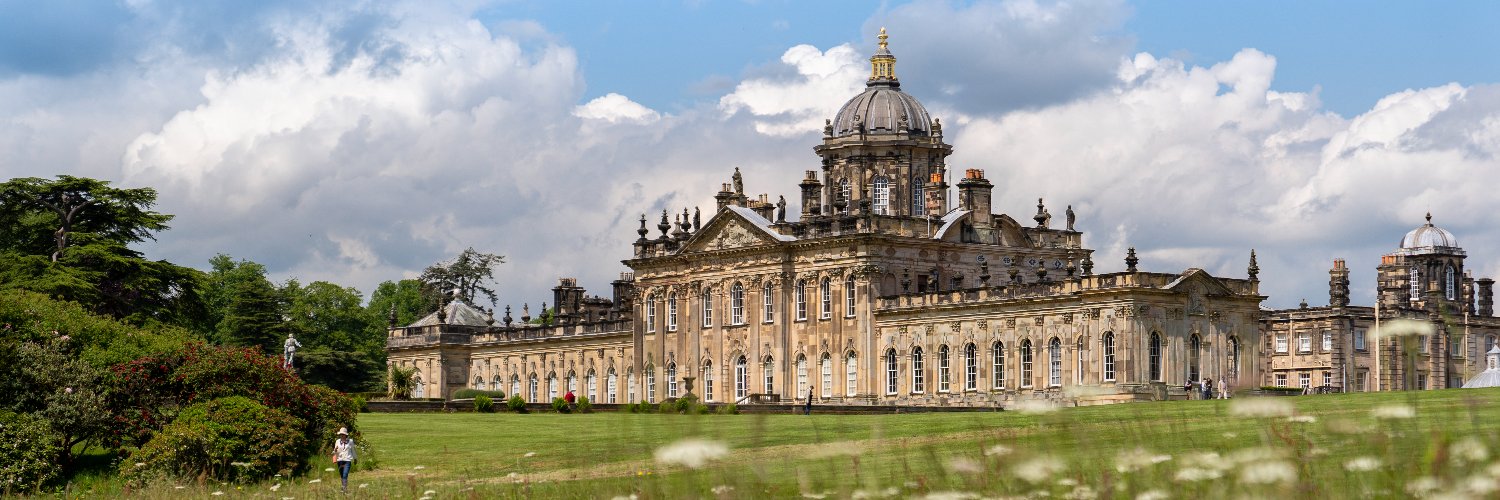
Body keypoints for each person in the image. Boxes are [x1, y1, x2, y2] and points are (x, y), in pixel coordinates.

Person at [331, 427, 356, 492]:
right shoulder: (337, 441)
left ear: (346, 435)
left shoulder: (350, 441)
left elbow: (353, 450)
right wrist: (335, 450)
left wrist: (355, 458)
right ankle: (344, 488)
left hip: (347, 460)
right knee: (342, 475)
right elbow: (334, 452)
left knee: (345, 474)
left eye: (343, 434)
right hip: (340, 460)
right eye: (341, 434)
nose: (341, 435)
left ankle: (344, 489)